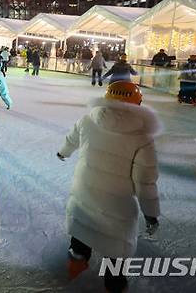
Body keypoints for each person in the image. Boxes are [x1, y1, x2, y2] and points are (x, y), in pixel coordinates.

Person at [57, 81, 161, 293]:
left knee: (82, 226)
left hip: (84, 189)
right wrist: (151, 214)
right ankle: (114, 284)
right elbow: (145, 181)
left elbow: (71, 139)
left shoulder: (88, 119)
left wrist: (63, 152)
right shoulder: (142, 138)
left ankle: (76, 262)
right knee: (116, 247)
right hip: (117, 204)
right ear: (137, 103)